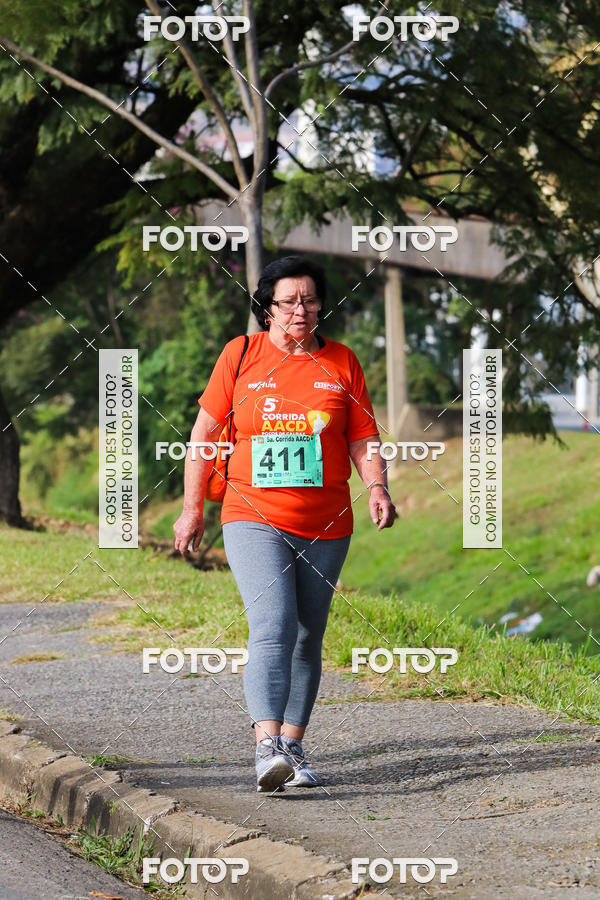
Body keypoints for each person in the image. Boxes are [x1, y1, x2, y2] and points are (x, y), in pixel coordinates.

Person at [173, 255, 396, 792]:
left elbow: (362, 437)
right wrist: (191, 507)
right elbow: (203, 437)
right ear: (268, 308)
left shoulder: (342, 362)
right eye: (288, 301)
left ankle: (293, 748)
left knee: (306, 634)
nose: (301, 310)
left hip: (327, 521)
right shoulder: (241, 355)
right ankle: (266, 747)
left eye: (310, 299)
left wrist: (379, 486)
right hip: (252, 516)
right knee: (272, 625)